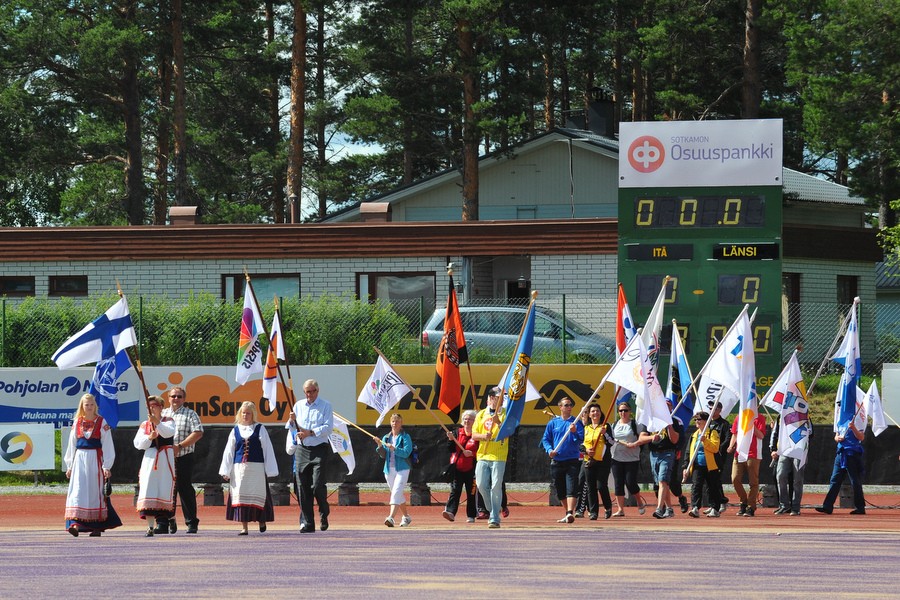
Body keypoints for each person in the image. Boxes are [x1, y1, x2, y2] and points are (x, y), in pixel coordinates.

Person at [64, 393, 122, 537]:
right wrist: (69, 465)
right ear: (82, 406)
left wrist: (106, 466)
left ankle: (97, 527)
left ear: (95, 406)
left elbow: (108, 445)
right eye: (86, 405)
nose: (89, 407)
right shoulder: (77, 422)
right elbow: (71, 445)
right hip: (80, 459)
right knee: (78, 490)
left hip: (96, 459)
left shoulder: (102, 422)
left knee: (95, 492)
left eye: (91, 405)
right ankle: (75, 525)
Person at [219, 402, 278, 535]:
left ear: (253, 414)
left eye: (248, 413)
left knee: (259, 494)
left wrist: (270, 470)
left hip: (257, 468)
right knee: (240, 496)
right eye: (243, 413)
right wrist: (225, 470)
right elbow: (229, 451)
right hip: (239, 469)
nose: (245, 415)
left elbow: (267, 449)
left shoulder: (260, 428)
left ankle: (261, 520)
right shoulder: (235, 430)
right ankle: (244, 527)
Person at [286, 378, 334, 533]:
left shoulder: (326, 406)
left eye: (313, 391)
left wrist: (310, 432)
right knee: (302, 487)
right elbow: (292, 427)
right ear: (304, 392)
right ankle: (308, 522)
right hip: (302, 450)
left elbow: (328, 428)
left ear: (317, 391)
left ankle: (323, 512)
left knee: (317, 485)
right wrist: (292, 421)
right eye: (307, 391)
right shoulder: (298, 406)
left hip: (319, 448)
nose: (310, 394)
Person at [160, 386, 203, 534]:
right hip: (165, 458)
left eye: (179, 396)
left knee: (184, 489)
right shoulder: (163, 414)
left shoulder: (190, 414)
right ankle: (166, 522)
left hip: (184, 456)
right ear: (168, 398)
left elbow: (198, 432)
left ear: (184, 399)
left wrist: (179, 446)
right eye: (173, 396)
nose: (176, 399)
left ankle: (191, 522)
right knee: (165, 490)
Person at [133, 395, 177, 537]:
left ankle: (170, 517)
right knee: (148, 489)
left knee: (164, 488)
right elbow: (138, 444)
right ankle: (150, 527)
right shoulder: (144, 425)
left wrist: (157, 422)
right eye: (149, 406)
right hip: (150, 459)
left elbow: (168, 432)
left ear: (160, 407)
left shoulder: (168, 421)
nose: (151, 408)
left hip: (164, 459)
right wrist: (149, 438)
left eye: (154, 405)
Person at [541, 397, 585, 524]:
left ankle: (570, 512)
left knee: (571, 487)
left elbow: (581, 439)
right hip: (557, 461)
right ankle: (567, 512)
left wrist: (575, 432)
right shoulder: (553, 423)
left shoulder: (576, 422)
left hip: (572, 460)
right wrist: (549, 450)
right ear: (560, 407)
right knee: (560, 490)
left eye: (571, 405)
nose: (569, 407)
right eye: (566, 405)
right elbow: (546, 439)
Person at [638, 400, 683, 519]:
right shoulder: (650, 419)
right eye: (663, 405)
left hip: (668, 453)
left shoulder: (674, 421)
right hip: (653, 453)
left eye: (668, 405)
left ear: (671, 407)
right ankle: (669, 508)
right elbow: (641, 437)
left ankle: (659, 509)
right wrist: (652, 436)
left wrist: (669, 426)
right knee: (662, 482)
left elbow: (675, 440)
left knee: (663, 480)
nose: (665, 407)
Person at [472, 386, 509, 528]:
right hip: (483, 454)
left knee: (496, 486)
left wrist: (498, 422)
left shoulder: (506, 413)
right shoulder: (481, 414)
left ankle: (494, 518)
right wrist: (483, 436)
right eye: (499, 397)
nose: (501, 400)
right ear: (492, 398)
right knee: (481, 485)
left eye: (502, 397)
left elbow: (507, 433)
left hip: (499, 455)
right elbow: (474, 434)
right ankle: (492, 508)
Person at [816, 419, 866, 515]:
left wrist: (853, 428)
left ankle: (860, 507)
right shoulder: (840, 420)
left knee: (855, 481)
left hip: (852, 453)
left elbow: (861, 437)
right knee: (834, 479)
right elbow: (836, 436)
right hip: (840, 453)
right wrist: (838, 438)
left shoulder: (858, 419)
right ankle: (827, 506)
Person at [610, 402, 648, 517]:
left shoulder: (635, 424)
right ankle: (620, 509)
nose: (623, 413)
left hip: (632, 459)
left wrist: (635, 443)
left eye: (625, 410)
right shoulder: (614, 425)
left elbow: (643, 438)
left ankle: (639, 501)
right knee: (618, 484)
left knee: (630, 483)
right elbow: (611, 439)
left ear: (630, 412)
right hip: (616, 458)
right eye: (621, 411)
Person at [727, 411, 766, 517]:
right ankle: (744, 501)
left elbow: (761, 435)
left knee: (753, 482)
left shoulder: (760, 418)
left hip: (753, 454)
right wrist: (731, 445)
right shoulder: (738, 417)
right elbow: (735, 433)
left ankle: (751, 506)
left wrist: (751, 424)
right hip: (739, 453)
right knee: (735, 478)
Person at [442, 410, 479, 523]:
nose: (467, 421)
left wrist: (472, 454)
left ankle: (471, 515)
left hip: (472, 468)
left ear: (475, 421)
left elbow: (482, 451)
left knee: (471, 492)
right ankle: (450, 512)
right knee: (455, 490)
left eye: (470, 419)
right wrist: (450, 440)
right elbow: (451, 449)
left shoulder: (477, 434)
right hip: (457, 468)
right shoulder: (457, 432)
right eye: (465, 419)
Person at [683, 412, 722, 518]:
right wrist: (685, 466)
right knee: (696, 486)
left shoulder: (712, 433)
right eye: (695, 420)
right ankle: (695, 507)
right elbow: (688, 451)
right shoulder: (694, 435)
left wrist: (705, 441)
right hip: (697, 465)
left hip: (711, 466)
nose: (697, 421)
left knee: (712, 487)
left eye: (699, 419)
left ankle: (715, 508)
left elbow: (715, 448)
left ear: (706, 421)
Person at [378, 413, 413, 527]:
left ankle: (391, 517)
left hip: (402, 469)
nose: (395, 423)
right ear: (390, 423)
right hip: (389, 470)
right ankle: (406, 517)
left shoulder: (405, 436)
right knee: (397, 493)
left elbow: (407, 452)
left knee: (396, 492)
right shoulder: (386, 437)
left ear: (401, 423)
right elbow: (383, 455)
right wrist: (379, 445)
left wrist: (394, 449)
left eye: (397, 421)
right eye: (393, 421)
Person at [581, 403, 614, 520]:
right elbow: (581, 444)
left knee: (601, 485)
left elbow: (611, 443)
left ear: (601, 413)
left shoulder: (606, 426)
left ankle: (608, 507)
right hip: (589, 460)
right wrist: (586, 450)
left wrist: (605, 434)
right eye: (593, 411)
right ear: (589, 414)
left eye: (597, 411)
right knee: (591, 487)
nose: (595, 413)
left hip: (603, 461)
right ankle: (593, 511)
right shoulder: (585, 428)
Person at [770, 419, 807, 516]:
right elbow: (775, 433)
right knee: (780, 476)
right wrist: (773, 448)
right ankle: (784, 505)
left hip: (799, 451)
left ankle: (795, 507)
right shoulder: (781, 416)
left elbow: (810, 433)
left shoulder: (804, 415)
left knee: (797, 480)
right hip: (785, 451)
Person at [707, 402, 732, 513]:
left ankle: (721, 502)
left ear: (719, 410)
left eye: (714, 409)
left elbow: (727, 439)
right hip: (707, 456)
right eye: (710, 408)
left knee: (716, 479)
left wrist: (717, 449)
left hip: (719, 456)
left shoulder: (724, 424)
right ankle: (713, 503)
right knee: (709, 481)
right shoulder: (707, 423)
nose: (712, 410)